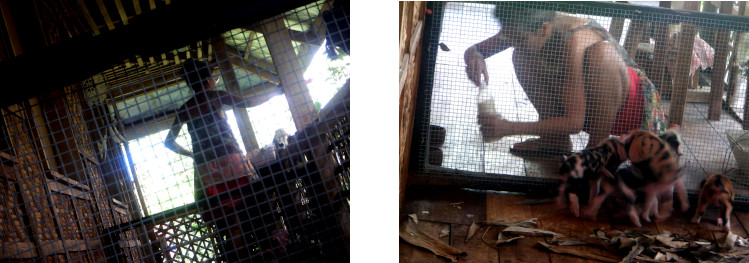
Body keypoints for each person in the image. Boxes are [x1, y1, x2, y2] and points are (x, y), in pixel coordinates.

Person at [465, 6, 666, 155]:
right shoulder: (525, 26)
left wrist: (508, 127)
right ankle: (554, 140)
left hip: (629, 111)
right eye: (509, 37)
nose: (513, 42)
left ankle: (597, 150)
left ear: (544, 29)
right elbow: (476, 49)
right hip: (586, 106)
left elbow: (574, 122)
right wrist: (475, 56)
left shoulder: (575, 38)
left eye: (520, 38)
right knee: (521, 54)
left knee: (601, 54)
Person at [164, 58, 278, 261]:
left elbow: (169, 143)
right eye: (213, 78)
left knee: (231, 217)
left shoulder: (185, 109)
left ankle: (240, 258)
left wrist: (192, 154)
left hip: (206, 170)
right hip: (230, 160)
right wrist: (277, 91)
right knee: (256, 203)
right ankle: (273, 247)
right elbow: (248, 102)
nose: (215, 81)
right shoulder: (216, 97)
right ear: (208, 80)